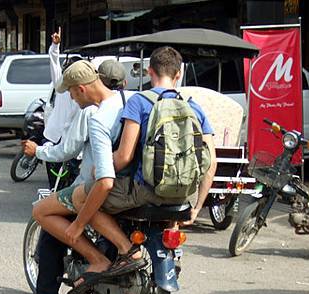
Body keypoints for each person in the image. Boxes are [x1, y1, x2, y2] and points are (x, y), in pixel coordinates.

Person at [69, 46, 217, 275]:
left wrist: (99, 168)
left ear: (149, 72)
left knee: (82, 197)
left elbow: (124, 156)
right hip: (184, 194)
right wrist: (196, 207)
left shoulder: (139, 102)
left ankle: (126, 249)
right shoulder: (194, 108)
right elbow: (210, 163)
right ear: (178, 74)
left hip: (145, 190)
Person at [21, 60, 135, 294]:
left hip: (96, 188)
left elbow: (70, 154)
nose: (72, 99)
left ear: (81, 89)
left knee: (45, 216)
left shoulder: (93, 115)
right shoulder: (132, 102)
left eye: (71, 93)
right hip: (132, 187)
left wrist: (37, 150)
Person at [22, 27, 80, 189]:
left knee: (67, 181)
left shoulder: (84, 92)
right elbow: (54, 63)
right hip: (53, 139)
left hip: (69, 142)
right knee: (55, 180)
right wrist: (55, 47)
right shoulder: (61, 85)